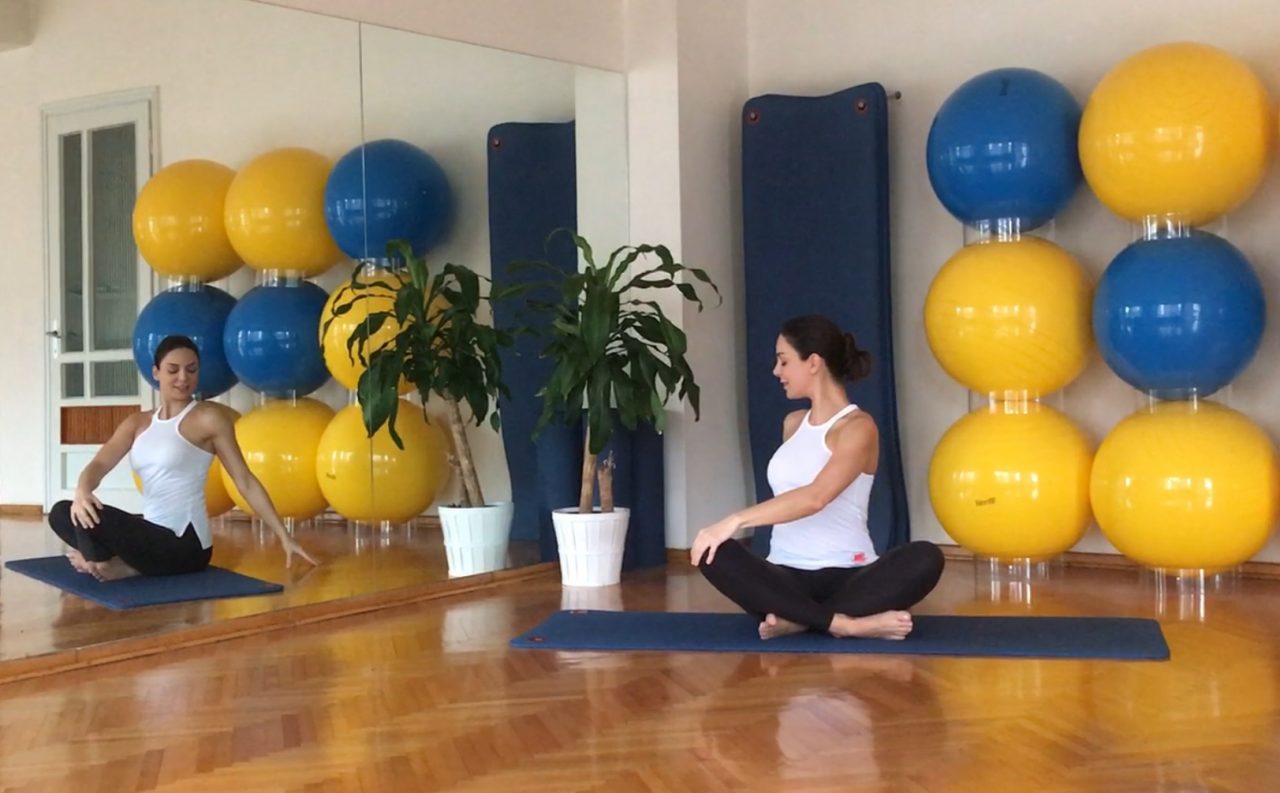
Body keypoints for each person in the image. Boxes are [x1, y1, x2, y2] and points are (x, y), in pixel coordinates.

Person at [691, 315, 943, 641]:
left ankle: (800, 619)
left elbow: (816, 497)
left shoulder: (858, 427)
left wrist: (735, 520)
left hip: (850, 575)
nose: (776, 371)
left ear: (813, 363)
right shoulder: (793, 423)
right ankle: (845, 624)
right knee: (712, 551)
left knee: (926, 557)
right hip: (784, 576)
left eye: (784, 361)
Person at [48, 335, 318, 581]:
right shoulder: (137, 423)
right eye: (173, 370)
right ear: (156, 372)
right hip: (151, 533)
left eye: (191, 370)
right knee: (63, 511)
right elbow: (99, 464)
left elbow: (244, 481)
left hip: (186, 544)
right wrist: (83, 490)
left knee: (94, 523)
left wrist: (284, 536)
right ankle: (119, 563)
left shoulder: (209, 419)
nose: (182, 378)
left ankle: (105, 561)